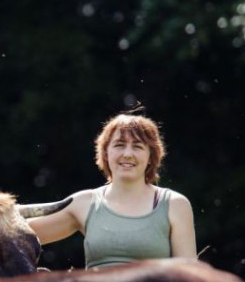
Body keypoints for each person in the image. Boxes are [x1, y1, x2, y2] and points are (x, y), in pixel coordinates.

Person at [27, 113, 196, 268]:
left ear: (151, 156)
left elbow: (190, 279)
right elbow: (16, 237)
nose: (128, 154)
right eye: (119, 145)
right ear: (106, 153)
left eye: (137, 147)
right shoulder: (84, 204)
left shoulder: (175, 205)